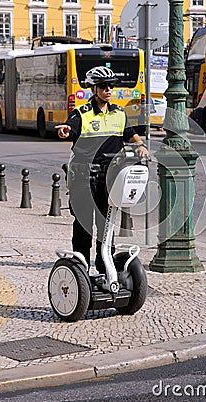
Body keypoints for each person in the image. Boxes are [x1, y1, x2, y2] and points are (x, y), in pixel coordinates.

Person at [56, 66, 149, 273]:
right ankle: (80, 267)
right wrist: (65, 130)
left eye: (111, 86)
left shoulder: (118, 113)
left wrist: (140, 145)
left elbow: (130, 133)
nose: (108, 89)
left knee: (106, 225)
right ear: (93, 89)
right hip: (84, 177)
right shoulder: (82, 113)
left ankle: (104, 266)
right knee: (84, 225)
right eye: (103, 86)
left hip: (110, 177)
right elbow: (70, 127)